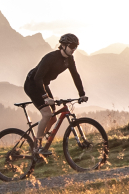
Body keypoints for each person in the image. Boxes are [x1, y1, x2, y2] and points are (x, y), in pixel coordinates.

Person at [25, 34, 87, 163]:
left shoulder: (69, 59)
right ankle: (37, 147)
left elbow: (75, 75)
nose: (74, 49)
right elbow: (37, 78)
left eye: (76, 47)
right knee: (47, 114)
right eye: (71, 46)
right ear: (63, 45)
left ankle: (38, 142)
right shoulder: (50, 58)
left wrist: (82, 94)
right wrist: (45, 97)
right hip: (33, 84)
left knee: (53, 118)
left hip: (43, 84)